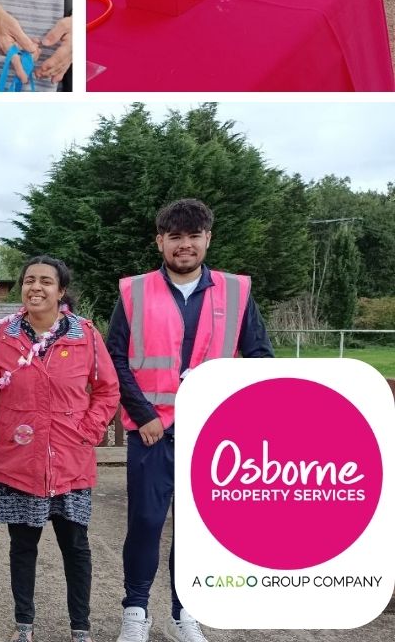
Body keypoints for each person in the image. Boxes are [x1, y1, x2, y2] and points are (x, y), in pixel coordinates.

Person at [106, 199, 274, 642]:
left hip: (213, 435)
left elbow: (260, 360)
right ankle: (136, 612)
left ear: (207, 239)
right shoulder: (134, 291)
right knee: (145, 522)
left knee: (199, 529)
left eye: (193, 236)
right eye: (175, 237)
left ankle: (186, 613)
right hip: (151, 431)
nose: (185, 245)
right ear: (160, 241)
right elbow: (115, 359)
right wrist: (143, 415)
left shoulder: (236, 291)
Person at [0, 256, 119, 642]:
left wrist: (88, 429)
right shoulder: (1, 337)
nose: (36, 287)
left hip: (70, 462)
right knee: (23, 548)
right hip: (19, 462)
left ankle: (80, 629)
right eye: (29, 280)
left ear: (61, 291)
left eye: (46, 281)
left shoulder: (85, 335)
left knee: (76, 548)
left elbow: (107, 390)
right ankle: (24, 628)